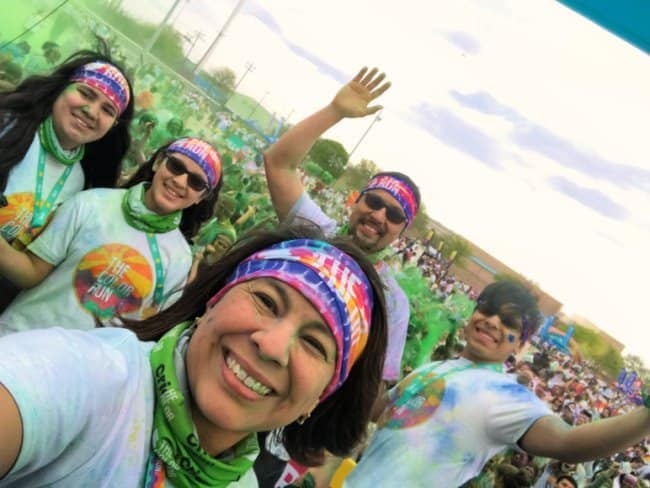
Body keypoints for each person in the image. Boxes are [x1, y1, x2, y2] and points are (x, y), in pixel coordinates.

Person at [0, 229, 388, 486]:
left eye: (315, 345)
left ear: (320, 397)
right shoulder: (89, 376)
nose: (272, 346)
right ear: (214, 299)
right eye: (267, 302)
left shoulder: (244, 482)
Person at [341, 281, 650, 487]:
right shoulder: (435, 368)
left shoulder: (506, 396)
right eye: (487, 310)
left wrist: (646, 415)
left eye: (509, 322)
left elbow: (568, 443)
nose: (492, 322)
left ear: (521, 343)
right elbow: (376, 409)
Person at [262, 66, 415, 386]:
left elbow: (375, 381)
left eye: (394, 215)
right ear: (356, 201)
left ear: (401, 232)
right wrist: (334, 112)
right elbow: (278, 163)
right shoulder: (316, 229)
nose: (379, 216)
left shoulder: (394, 303)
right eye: (374, 202)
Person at [0, 137, 221, 334]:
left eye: (196, 182)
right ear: (158, 163)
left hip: (74, 375)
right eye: (176, 166)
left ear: (202, 197)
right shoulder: (91, 203)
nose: (180, 181)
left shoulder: (180, 259)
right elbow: (32, 271)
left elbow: (147, 330)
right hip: (16, 340)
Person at [0, 48, 134, 249]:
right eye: (86, 94)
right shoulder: (7, 124)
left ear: (114, 125)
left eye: (107, 110)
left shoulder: (80, 182)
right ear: (62, 88)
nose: (91, 112)